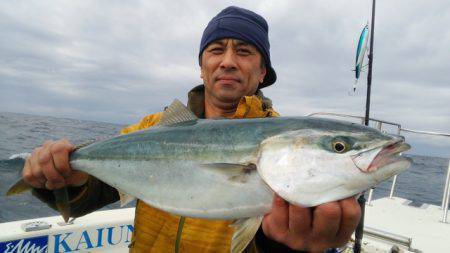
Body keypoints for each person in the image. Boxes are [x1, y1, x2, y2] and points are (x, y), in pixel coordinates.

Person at [22, 6, 361, 252]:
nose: (227, 60)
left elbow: (272, 235)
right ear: (202, 68)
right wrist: (64, 179)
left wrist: (288, 246)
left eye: (243, 51)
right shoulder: (153, 127)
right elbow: (94, 194)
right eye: (216, 50)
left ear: (261, 73)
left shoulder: (284, 141)